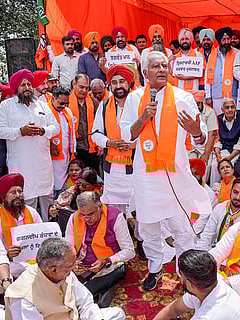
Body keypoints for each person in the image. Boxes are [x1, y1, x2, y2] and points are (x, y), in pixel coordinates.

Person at [120, 51, 212, 291]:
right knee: (148, 227)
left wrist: (195, 130)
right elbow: (126, 135)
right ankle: (154, 269)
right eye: (156, 66)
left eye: (164, 65)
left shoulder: (183, 97)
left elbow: (201, 138)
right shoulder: (134, 99)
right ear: (144, 72)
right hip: (145, 175)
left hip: (175, 174)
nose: (162, 70)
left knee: (181, 228)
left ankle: (186, 273)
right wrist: (143, 117)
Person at [5, 237, 126, 319]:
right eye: (71, 264)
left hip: (75, 316)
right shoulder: (23, 299)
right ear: (53, 269)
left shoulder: (64, 271)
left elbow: (85, 302)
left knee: (117, 314)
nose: (75, 267)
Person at [0, 69, 60, 221]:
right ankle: (29, 236)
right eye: (23, 85)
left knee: (47, 203)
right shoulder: (6, 106)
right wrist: (20, 131)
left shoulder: (42, 105)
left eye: (29, 84)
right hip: (21, 164)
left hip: (42, 164)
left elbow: (55, 127)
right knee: (25, 202)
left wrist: (43, 130)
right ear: (16, 87)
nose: (27, 88)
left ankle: (48, 232)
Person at [65, 191, 134, 307]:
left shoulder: (115, 217)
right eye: (83, 215)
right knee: (63, 286)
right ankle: (103, 289)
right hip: (82, 265)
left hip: (108, 264)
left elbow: (130, 251)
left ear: (100, 207)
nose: (86, 219)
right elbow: (69, 246)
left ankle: (94, 290)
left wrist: (107, 261)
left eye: (91, 214)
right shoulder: (74, 218)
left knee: (81, 294)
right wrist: (72, 262)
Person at [153, 249, 240, 320]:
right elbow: (173, 309)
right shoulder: (206, 286)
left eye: (181, 276)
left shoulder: (209, 315)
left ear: (189, 284)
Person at [92, 65, 136, 213]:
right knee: (114, 209)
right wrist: (109, 142)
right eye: (114, 82)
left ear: (129, 83)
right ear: (110, 85)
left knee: (137, 204)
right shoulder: (104, 106)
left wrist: (132, 145)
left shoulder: (139, 103)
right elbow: (95, 133)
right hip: (112, 168)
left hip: (135, 165)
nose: (118, 86)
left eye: (122, 81)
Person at [0, 173, 43, 278]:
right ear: (4, 196)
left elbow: (41, 237)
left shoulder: (32, 212)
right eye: (13, 192)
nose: (18, 195)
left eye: (20, 191)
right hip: (11, 263)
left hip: (36, 259)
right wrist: (7, 254)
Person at [196, 177, 240, 250]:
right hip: (215, 249)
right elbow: (207, 234)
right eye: (235, 192)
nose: (238, 197)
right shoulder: (219, 208)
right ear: (231, 191)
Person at [51, 167, 102, 233]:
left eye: (84, 185)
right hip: (75, 217)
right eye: (79, 183)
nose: (80, 187)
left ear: (93, 185)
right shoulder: (74, 189)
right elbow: (60, 202)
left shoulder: (100, 193)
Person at [48, 86, 76, 197]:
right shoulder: (45, 111)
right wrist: (50, 144)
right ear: (53, 98)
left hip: (66, 155)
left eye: (66, 103)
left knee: (63, 184)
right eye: (61, 103)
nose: (64, 106)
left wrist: (73, 151)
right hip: (50, 155)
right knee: (52, 184)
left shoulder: (67, 111)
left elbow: (71, 133)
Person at [69, 74, 100, 172]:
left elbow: (99, 125)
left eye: (87, 88)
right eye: (81, 87)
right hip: (75, 148)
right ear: (74, 84)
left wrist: (100, 145)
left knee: (93, 177)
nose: (84, 91)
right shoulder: (66, 102)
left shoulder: (93, 102)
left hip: (91, 148)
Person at [205, 27, 239, 115]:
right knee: (218, 119)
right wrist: (208, 96)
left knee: (232, 119)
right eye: (224, 39)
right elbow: (207, 76)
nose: (227, 42)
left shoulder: (238, 53)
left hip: (232, 94)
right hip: (217, 95)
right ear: (219, 41)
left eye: (228, 39)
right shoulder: (212, 55)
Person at [211, 98, 240, 184]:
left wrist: (229, 158)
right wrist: (218, 155)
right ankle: (215, 189)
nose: (230, 110)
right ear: (222, 110)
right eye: (227, 107)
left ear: (235, 108)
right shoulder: (218, 119)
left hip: (236, 152)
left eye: (232, 107)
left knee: (229, 166)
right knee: (214, 165)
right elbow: (216, 139)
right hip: (222, 150)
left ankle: (230, 189)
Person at [187, 90, 218, 169]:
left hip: (205, 147)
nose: (196, 106)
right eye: (194, 104)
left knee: (204, 168)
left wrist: (206, 154)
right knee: (189, 168)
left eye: (198, 103)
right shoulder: (185, 110)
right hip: (189, 148)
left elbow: (212, 134)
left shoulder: (210, 112)